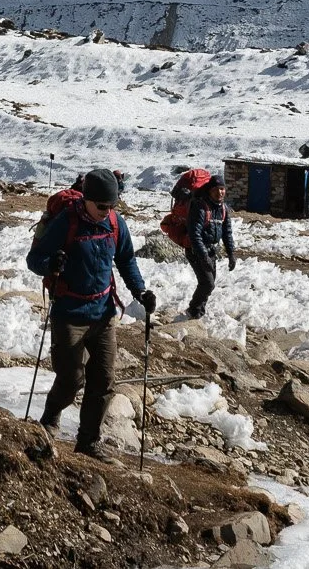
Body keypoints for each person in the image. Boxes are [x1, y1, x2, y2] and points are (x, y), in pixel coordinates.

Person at [26, 167, 156, 458]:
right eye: (101, 206)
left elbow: (125, 260)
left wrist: (140, 291)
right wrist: (52, 265)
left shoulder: (114, 223)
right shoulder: (66, 222)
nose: (106, 210)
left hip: (103, 314)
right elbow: (34, 259)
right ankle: (49, 422)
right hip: (69, 314)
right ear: (86, 199)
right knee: (71, 379)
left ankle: (88, 441)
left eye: (111, 205)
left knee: (104, 381)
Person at [185, 177, 236, 319]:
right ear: (210, 191)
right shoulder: (201, 207)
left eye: (222, 189)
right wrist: (203, 256)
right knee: (207, 283)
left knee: (209, 283)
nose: (220, 192)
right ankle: (194, 311)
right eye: (216, 189)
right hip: (196, 251)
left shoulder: (223, 209)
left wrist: (231, 254)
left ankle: (198, 310)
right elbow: (194, 234)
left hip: (211, 251)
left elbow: (227, 233)